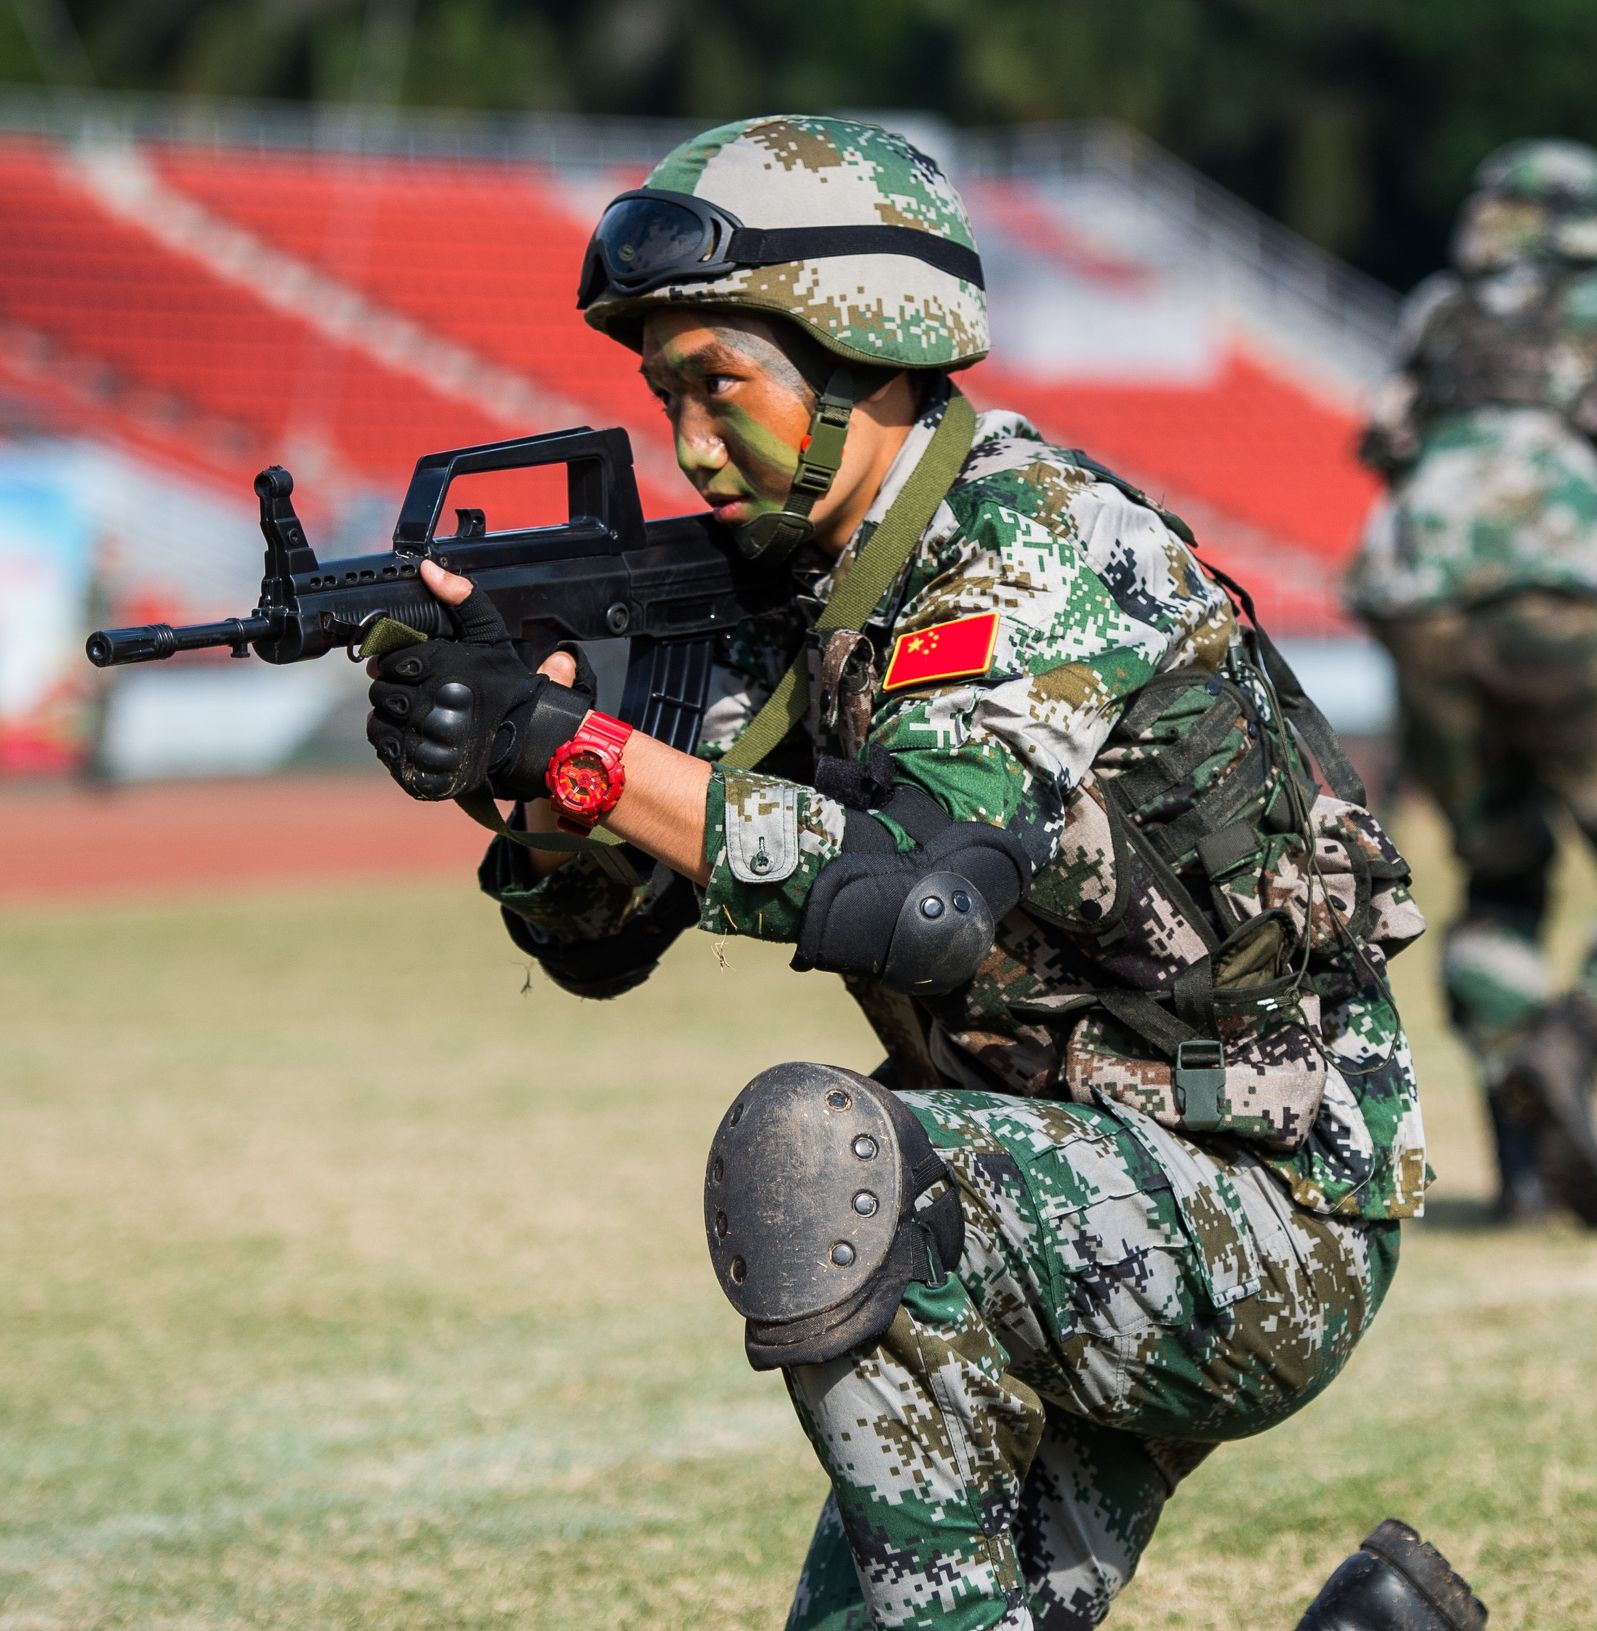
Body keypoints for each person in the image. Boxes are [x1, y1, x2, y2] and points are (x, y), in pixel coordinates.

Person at [359, 116, 1484, 1631]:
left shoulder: (1030, 550)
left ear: (864, 348)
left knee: (814, 1150)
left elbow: (916, 898)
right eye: (664, 394)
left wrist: (580, 748)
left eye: (721, 387)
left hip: (1255, 1202)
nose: (689, 444)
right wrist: (535, 787)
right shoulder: (805, 583)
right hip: (1042, 1192)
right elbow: (603, 940)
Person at [1345, 138, 1597, 1230]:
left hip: (1417, 592)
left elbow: (1387, 439)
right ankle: (1572, 1040)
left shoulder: (1439, 312)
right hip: (1575, 587)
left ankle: (1520, 1158)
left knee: (1501, 881)